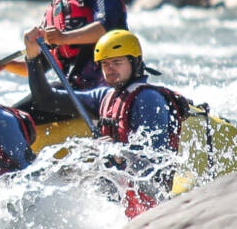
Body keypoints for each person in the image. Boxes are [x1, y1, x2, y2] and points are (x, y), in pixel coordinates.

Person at [27, 28, 189, 215]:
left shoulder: (148, 99)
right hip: (119, 188)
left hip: (151, 193)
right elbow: (47, 100)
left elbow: (156, 161)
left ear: (134, 62)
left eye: (117, 62)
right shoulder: (105, 96)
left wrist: (119, 153)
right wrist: (32, 58)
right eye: (105, 64)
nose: (110, 69)